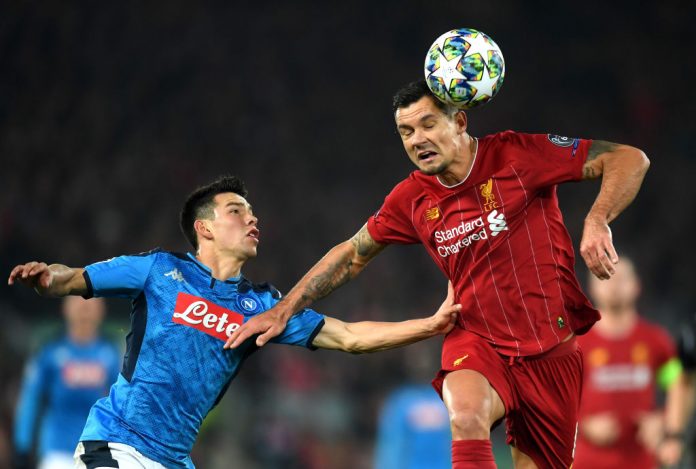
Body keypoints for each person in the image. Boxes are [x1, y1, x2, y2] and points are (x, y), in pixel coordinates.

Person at [226, 79, 651, 468]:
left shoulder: (518, 154)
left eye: (428, 124)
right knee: (466, 415)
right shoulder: (412, 198)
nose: (417, 139)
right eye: (406, 132)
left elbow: (629, 159)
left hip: (551, 351)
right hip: (477, 338)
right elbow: (353, 253)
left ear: (460, 122)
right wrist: (284, 308)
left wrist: (598, 218)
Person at [7, 175, 461, 469]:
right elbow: (75, 278)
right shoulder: (158, 270)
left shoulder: (261, 307)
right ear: (204, 228)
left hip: (173, 459)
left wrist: (430, 324)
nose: (251, 218)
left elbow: (349, 337)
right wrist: (48, 279)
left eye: (252, 212)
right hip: (116, 442)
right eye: (236, 211)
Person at [575, 257, 688, 469]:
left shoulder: (655, 341)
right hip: (587, 461)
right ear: (591, 287)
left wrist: (664, 422)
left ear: (636, 286)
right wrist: (582, 424)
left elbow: (677, 383)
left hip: (641, 461)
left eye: (621, 278)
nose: (614, 285)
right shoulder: (577, 345)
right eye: (605, 277)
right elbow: (553, 397)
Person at [13, 297, 120, 469]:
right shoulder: (50, 351)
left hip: (97, 452)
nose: (84, 306)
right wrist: (22, 446)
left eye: (91, 299)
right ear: (65, 307)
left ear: (102, 309)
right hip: (57, 452)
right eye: (77, 298)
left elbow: (122, 405)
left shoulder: (111, 354)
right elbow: (31, 399)